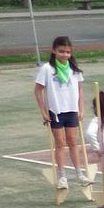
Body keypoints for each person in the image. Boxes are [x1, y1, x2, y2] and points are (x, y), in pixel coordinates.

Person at [33, 37, 91, 193]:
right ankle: (62, 176)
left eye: (68, 52)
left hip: (71, 110)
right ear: (54, 51)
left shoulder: (74, 69)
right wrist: (44, 111)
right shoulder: (47, 68)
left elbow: (79, 89)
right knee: (60, 143)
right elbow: (38, 90)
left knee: (73, 141)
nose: (65, 55)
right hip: (56, 111)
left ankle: (80, 174)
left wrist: (81, 108)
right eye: (61, 51)